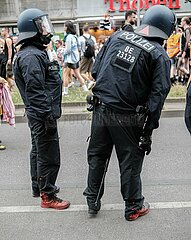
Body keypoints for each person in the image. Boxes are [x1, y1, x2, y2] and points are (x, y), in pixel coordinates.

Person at [83, 5, 176, 221]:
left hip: (100, 107)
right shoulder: (159, 55)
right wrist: (148, 130)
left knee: (97, 156)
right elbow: (157, 97)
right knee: (130, 160)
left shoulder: (118, 36)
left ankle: (92, 201)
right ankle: (133, 206)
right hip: (126, 115)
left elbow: (96, 70)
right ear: (166, 30)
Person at [13, 8, 70, 210]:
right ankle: (48, 195)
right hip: (41, 114)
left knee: (39, 150)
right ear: (33, 30)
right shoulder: (31, 57)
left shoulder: (33, 53)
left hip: (38, 113)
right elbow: (36, 91)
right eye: (42, 27)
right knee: (48, 154)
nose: (47, 31)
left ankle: (39, 187)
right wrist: (46, 116)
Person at [62, 21, 88, 95]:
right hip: (75, 58)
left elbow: (68, 49)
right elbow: (78, 47)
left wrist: (63, 52)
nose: (63, 27)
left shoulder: (68, 37)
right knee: (77, 74)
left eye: (64, 26)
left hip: (69, 59)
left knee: (65, 74)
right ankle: (85, 88)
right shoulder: (75, 36)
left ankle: (65, 91)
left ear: (67, 27)